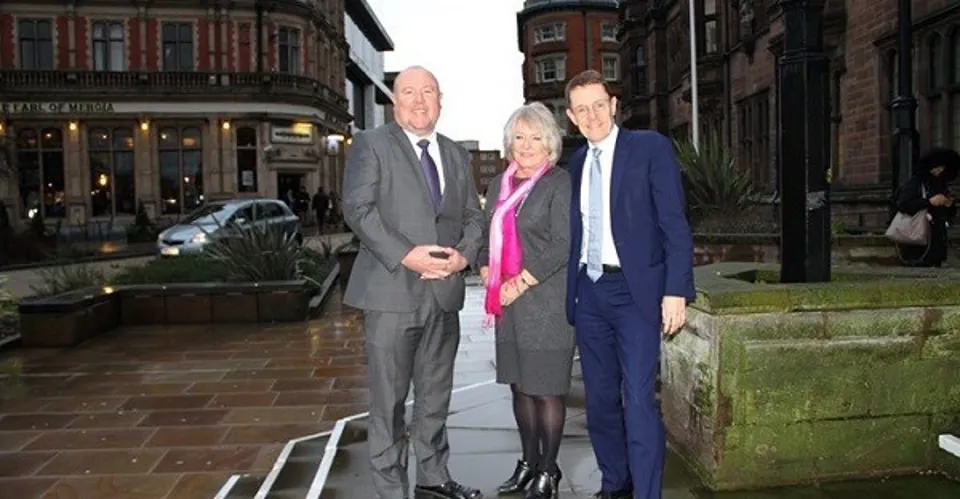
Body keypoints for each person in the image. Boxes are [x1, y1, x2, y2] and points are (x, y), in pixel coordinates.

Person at [341, 65, 485, 499]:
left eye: (428, 92)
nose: (419, 100)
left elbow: (475, 216)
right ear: (394, 101)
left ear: (441, 100)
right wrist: (407, 254)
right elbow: (358, 209)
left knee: (435, 397)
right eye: (409, 91)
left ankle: (434, 477)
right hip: (391, 294)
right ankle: (390, 491)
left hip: (443, 295)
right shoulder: (371, 144)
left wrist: (464, 255)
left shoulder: (457, 154)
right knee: (388, 404)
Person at [563, 70, 695, 499]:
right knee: (600, 404)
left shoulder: (650, 148)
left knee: (638, 401)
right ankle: (615, 483)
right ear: (571, 116)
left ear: (614, 104)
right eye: (581, 109)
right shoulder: (577, 162)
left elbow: (674, 223)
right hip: (590, 293)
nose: (592, 115)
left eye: (598, 104)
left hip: (635, 294)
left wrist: (676, 289)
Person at [477, 102, 573, 499]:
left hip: (547, 302)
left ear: (549, 142)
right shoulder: (498, 185)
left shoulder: (559, 182)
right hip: (509, 307)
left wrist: (520, 282)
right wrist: (484, 268)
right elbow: (486, 235)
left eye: (536, 137)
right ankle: (528, 463)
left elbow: (562, 244)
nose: (527, 145)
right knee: (520, 387)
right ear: (509, 142)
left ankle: (549, 471)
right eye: (519, 137)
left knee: (546, 389)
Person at [895, 147, 959, 267]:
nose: (939, 171)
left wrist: (949, 205)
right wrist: (929, 202)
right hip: (917, 240)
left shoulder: (941, 185)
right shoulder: (916, 183)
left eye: (942, 168)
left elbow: (949, 214)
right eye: (937, 167)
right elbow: (903, 204)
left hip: (937, 240)